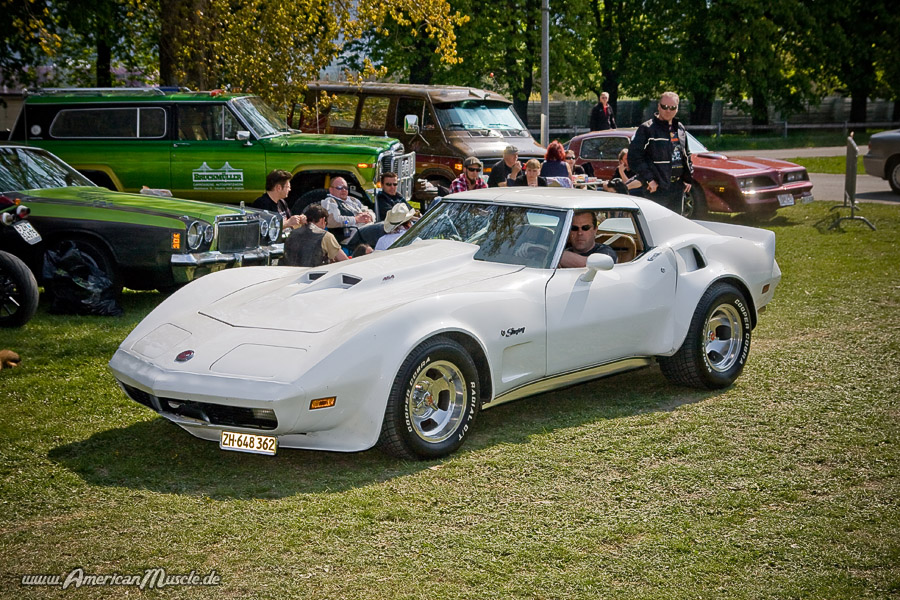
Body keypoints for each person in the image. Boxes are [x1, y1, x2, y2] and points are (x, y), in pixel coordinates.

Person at [627, 91, 693, 212]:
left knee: (676, 225)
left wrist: (688, 177)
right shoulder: (647, 129)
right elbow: (634, 157)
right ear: (658, 106)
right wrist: (649, 179)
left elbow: (686, 154)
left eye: (672, 107)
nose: (668, 110)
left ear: (677, 108)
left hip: (677, 187)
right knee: (655, 226)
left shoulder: (679, 128)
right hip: (656, 188)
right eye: (665, 107)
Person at [282, 203, 347, 267]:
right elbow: (344, 261)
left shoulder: (293, 232)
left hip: (291, 274)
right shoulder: (326, 236)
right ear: (323, 220)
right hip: (315, 275)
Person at [321, 176, 376, 244]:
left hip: (365, 228)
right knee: (380, 228)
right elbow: (334, 221)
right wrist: (356, 219)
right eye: (339, 187)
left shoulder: (353, 200)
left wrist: (369, 216)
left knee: (386, 227)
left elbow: (369, 211)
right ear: (331, 190)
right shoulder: (329, 202)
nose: (343, 190)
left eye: (345, 187)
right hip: (350, 236)